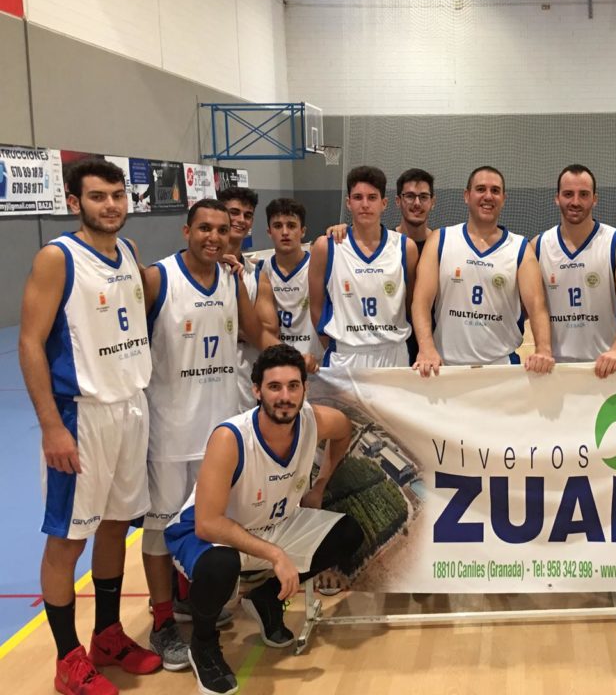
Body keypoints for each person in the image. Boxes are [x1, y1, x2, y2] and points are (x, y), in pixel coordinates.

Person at [19, 159, 162, 694]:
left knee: (115, 526)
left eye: (118, 195)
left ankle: (107, 635)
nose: (111, 205)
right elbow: (30, 342)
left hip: (131, 408)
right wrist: (51, 426)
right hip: (81, 416)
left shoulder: (128, 251)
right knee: (67, 540)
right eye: (98, 196)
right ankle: (66, 658)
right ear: (75, 202)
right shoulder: (57, 257)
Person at [140, 199, 291, 670]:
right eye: (204, 228)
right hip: (170, 432)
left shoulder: (231, 277)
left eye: (222, 230)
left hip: (220, 433)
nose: (214, 236)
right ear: (186, 231)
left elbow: (254, 333)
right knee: (161, 532)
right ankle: (161, 621)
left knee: (213, 525)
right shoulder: (158, 278)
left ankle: (191, 602)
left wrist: (292, 362)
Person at [165, 345, 364, 695]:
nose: (285, 396)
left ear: (304, 389)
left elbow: (344, 429)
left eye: (293, 386)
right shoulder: (231, 438)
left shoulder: (314, 421)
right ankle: (203, 645)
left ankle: (266, 598)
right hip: (210, 536)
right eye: (274, 387)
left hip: (274, 526)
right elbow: (207, 523)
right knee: (220, 566)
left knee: (348, 533)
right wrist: (275, 555)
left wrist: (320, 485)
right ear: (256, 390)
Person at [411, 165, 555, 375]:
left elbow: (536, 306)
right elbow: (421, 302)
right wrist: (426, 349)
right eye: (480, 189)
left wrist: (543, 349)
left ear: (503, 199)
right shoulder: (440, 239)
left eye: (495, 191)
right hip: (445, 368)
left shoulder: (520, 248)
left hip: (501, 368)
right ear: (466, 195)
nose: (488, 196)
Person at [532, 164, 616, 378]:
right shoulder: (538, 246)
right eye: (568, 194)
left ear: (594, 199)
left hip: (605, 367)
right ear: (557, 198)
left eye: (583, 194)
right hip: (554, 370)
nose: (575, 202)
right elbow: (532, 307)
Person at [309, 166, 419, 369]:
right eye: (358, 197)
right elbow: (316, 306)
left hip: (393, 354)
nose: (365, 204)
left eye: (372, 197)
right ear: (348, 203)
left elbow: (411, 304)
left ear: (384, 203)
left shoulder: (405, 248)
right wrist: (336, 344)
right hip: (346, 355)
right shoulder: (326, 246)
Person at [217, 186, 277, 409]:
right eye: (234, 212)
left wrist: (223, 326)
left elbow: (268, 332)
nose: (241, 220)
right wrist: (246, 329)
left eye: (248, 215)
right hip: (203, 375)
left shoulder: (257, 274)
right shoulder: (194, 269)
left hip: (244, 379)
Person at [263, 198, 323, 361]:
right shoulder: (261, 271)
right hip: (278, 361)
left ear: (303, 231)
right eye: (277, 226)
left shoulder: (318, 266)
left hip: (316, 362)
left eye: (291, 225)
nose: (284, 232)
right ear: (269, 232)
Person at [395, 168, 437, 365]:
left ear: (433, 202)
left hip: (433, 345)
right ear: (398, 201)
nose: (417, 203)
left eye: (424, 197)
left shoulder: (442, 245)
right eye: (410, 196)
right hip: (394, 345)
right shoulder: (385, 245)